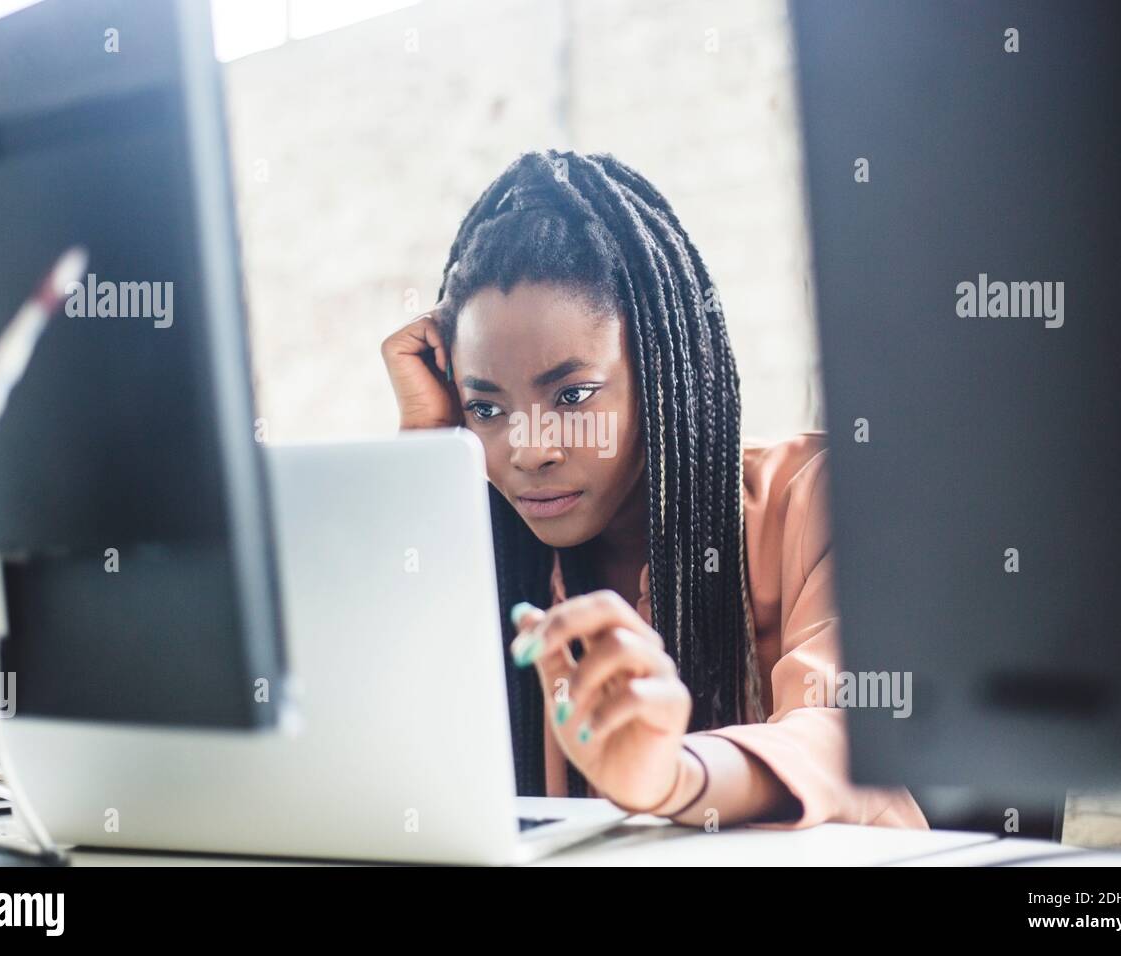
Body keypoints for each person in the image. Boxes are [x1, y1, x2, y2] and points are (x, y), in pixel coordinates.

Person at [381, 150, 927, 829]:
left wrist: (674, 775)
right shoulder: (497, 553)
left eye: (573, 395)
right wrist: (432, 458)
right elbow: (390, 753)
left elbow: (845, 735)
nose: (528, 450)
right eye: (486, 409)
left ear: (663, 372)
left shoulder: (820, 497)